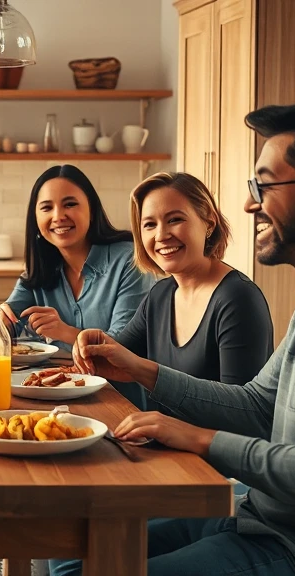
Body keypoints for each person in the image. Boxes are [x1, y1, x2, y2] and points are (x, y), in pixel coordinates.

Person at [56, 99, 295, 575]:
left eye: (264, 186)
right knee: (70, 548)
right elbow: (258, 405)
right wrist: (142, 371)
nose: (250, 203)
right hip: (260, 517)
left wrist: (199, 438)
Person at [114, 171, 273, 410]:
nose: (161, 235)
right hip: (156, 434)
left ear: (209, 223)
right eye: (150, 224)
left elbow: (242, 414)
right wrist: (88, 343)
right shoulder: (159, 295)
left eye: (175, 220)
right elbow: (115, 359)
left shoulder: (238, 299)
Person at [0, 164, 153, 406]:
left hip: (120, 403)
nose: (58, 216)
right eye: (47, 207)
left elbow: (124, 347)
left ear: (92, 209)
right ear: (35, 219)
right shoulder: (40, 269)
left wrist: (65, 332)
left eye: (70, 204)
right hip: (55, 396)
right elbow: (3, 323)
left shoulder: (130, 261)